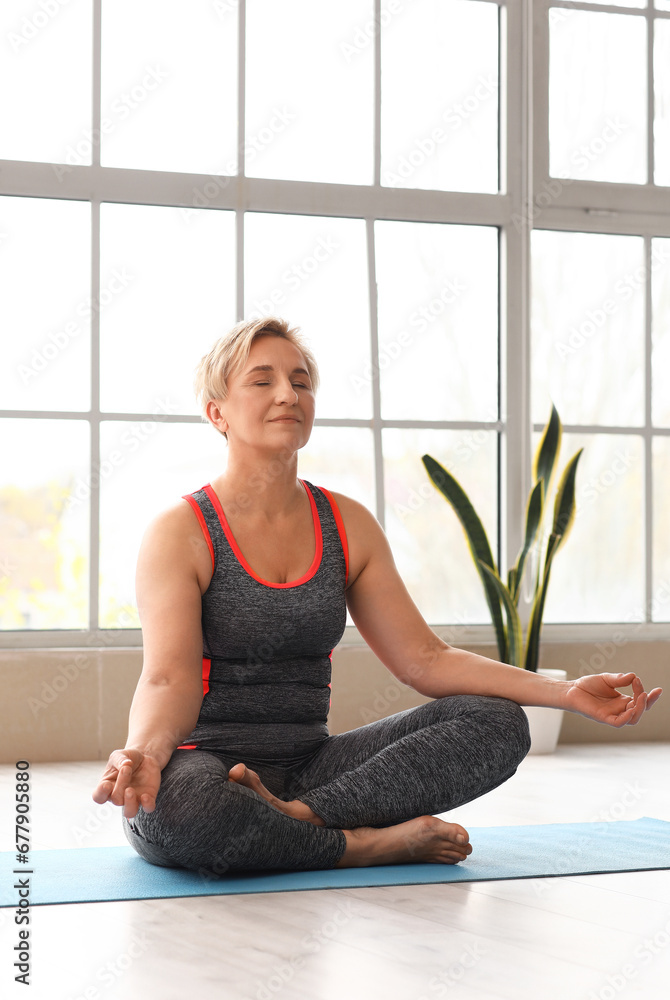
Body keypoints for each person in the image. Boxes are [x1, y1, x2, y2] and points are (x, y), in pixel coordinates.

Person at [92, 316, 663, 876]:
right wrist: (144, 754)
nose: (288, 394)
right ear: (217, 411)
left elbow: (426, 660)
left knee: (499, 724)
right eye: (262, 381)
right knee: (190, 814)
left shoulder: (347, 524)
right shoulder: (182, 530)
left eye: (301, 381)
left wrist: (563, 693)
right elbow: (169, 679)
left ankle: (303, 821)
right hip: (206, 766)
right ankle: (363, 847)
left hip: (317, 771)